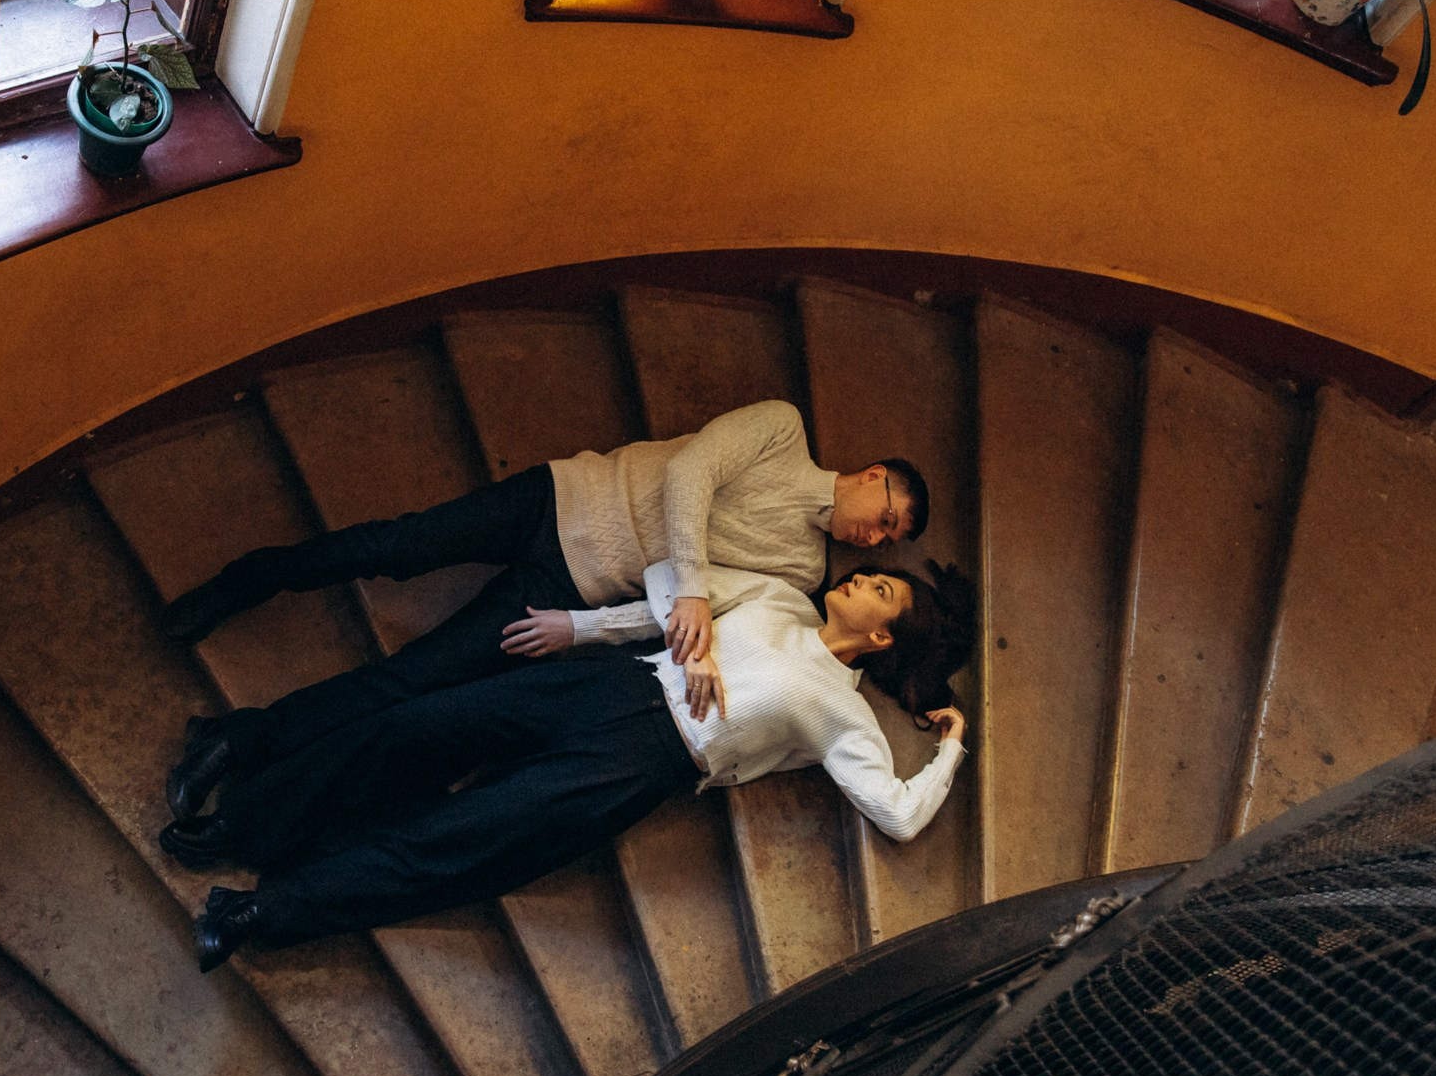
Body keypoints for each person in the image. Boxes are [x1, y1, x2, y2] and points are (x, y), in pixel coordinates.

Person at [156, 398, 929, 841]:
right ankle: (244, 579)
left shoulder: (801, 576)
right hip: (560, 499)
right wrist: (692, 587)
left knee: (410, 680)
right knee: (388, 547)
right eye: (886, 513)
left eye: (889, 538)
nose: (878, 534)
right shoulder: (782, 430)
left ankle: (234, 740)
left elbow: (709, 617)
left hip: (572, 588)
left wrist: (665, 631)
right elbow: (690, 473)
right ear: (870, 477)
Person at [181, 559, 978, 970]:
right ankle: (241, 824)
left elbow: (901, 815)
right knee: (411, 729)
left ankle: (256, 915)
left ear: (881, 639)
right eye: (874, 575)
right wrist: (594, 629)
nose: (861, 581)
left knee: (459, 840)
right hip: (607, 683)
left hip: (643, 763)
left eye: (880, 591)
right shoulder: (779, 600)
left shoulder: (844, 712)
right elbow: (673, 584)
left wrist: (950, 746)